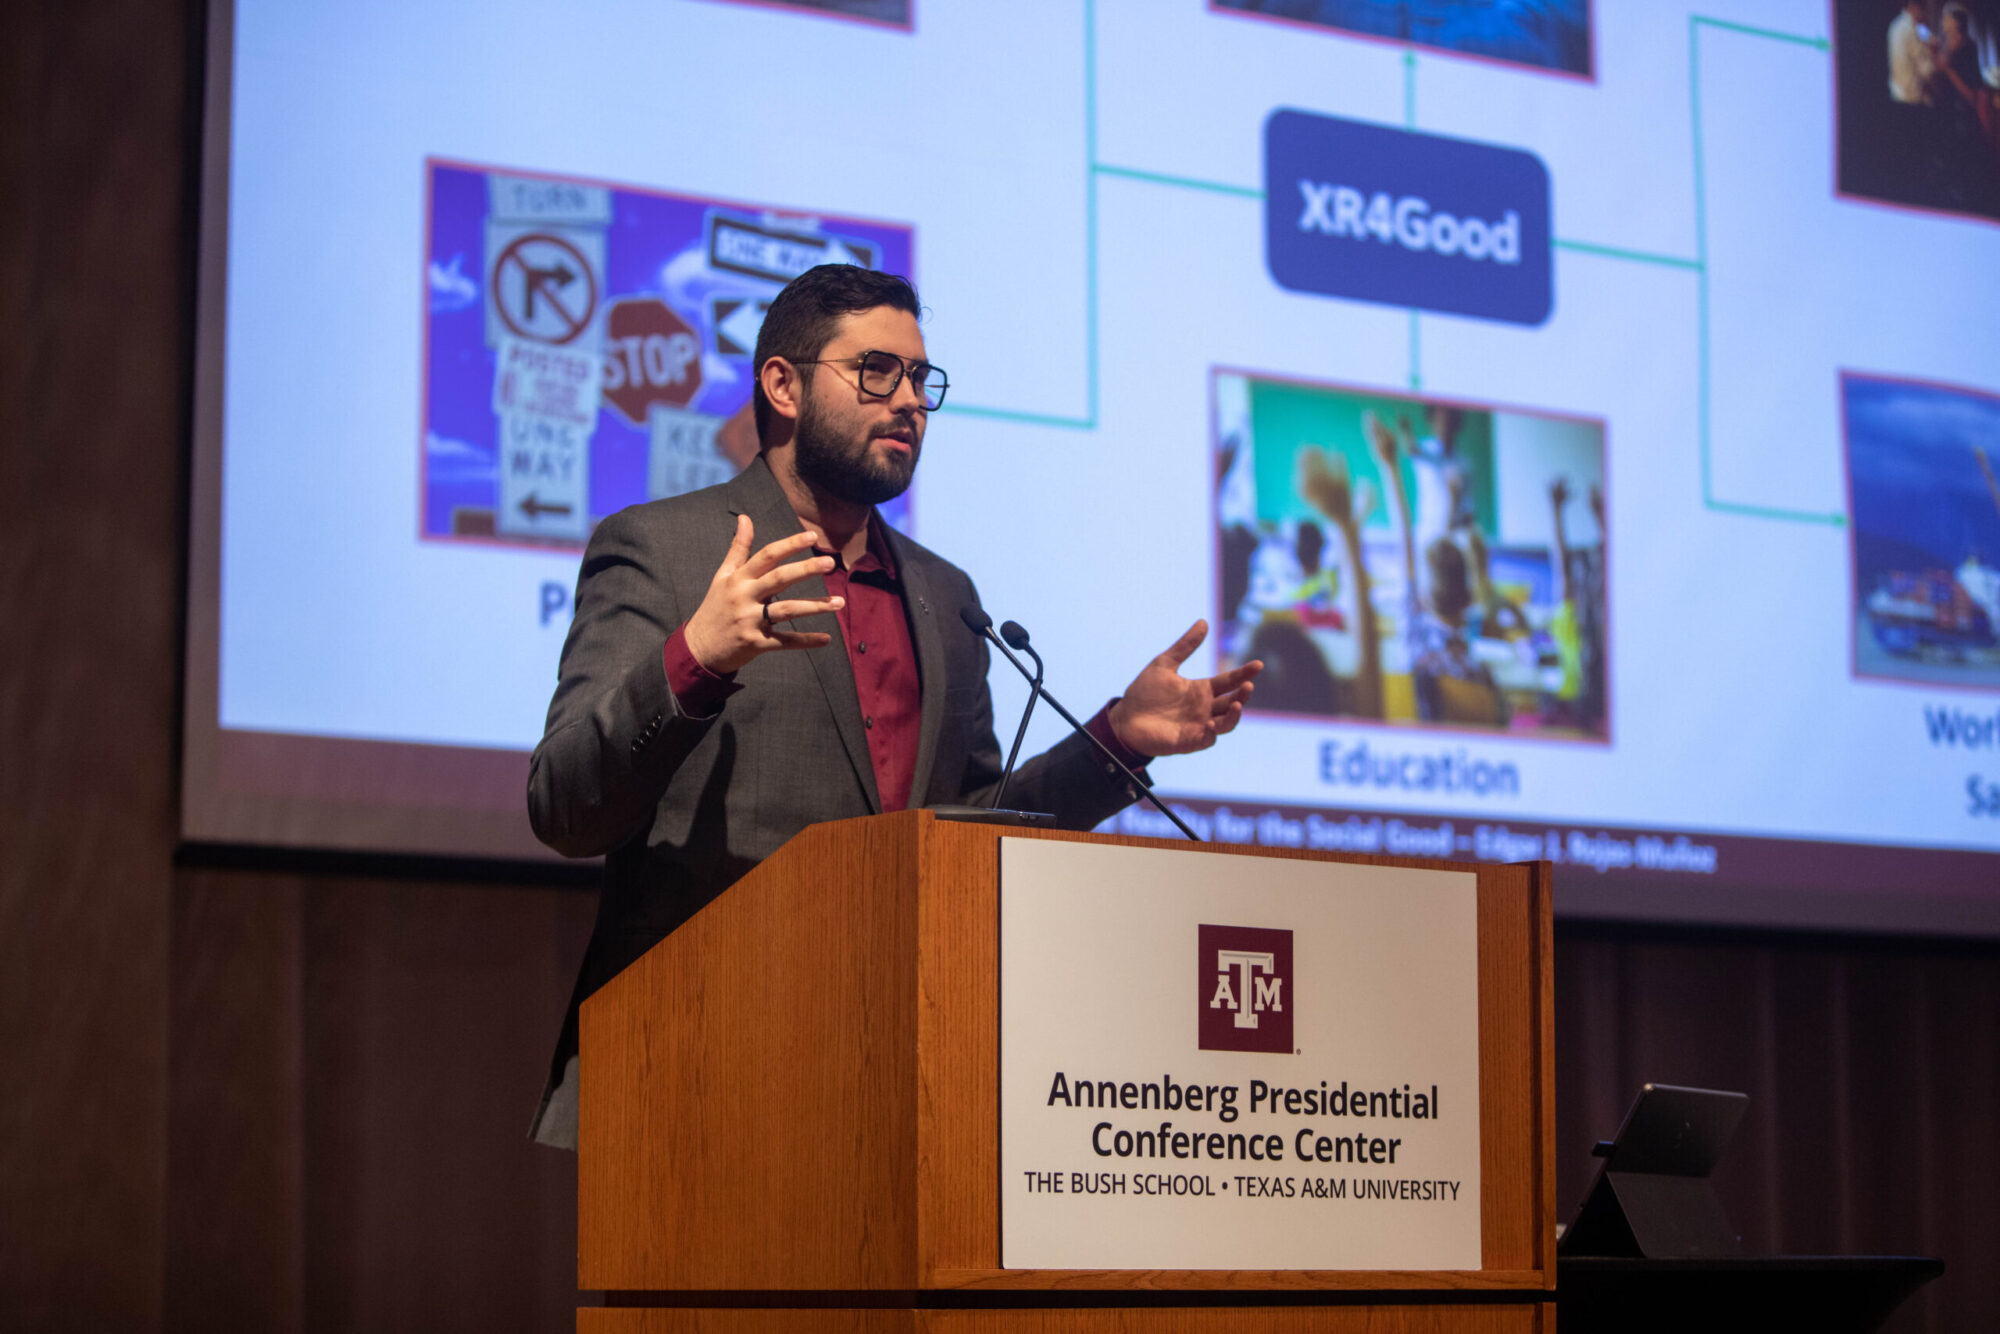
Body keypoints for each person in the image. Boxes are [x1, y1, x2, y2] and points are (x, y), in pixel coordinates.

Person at [525, 264, 1262, 1148]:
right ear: (783, 385)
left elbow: (978, 833)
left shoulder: (944, 598)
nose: (909, 400)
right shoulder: (663, 550)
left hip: (892, 1080)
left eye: (920, 379)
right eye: (878, 372)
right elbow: (565, 806)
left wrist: (1115, 741)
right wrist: (695, 658)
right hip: (692, 1064)